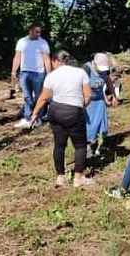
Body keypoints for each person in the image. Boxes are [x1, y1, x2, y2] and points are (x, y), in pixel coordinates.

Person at [30, 50, 94, 188]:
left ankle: (60, 177)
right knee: (80, 145)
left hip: (55, 111)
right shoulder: (80, 72)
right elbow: (88, 95)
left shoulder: (52, 75)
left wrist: (34, 113)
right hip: (73, 111)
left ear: (55, 61)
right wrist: (81, 107)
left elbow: (44, 97)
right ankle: (78, 177)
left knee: (59, 145)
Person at [12, 24, 51, 129]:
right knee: (27, 96)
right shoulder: (22, 42)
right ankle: (27, 118)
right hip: (24, 73)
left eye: (39, 32)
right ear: (30, 31)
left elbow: (46, 59)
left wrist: (49, 74)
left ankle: (38, 118)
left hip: (38, 73)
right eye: (36, 32)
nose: (39, 34)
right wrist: (13, 72)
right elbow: (17, 57)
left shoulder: (43, 43)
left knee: (39, 96)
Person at [83, 53, 118, 158]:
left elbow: (108, 82)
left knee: (102, 125)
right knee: (88, 125)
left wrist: (114, 96)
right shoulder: (86, 69)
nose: (102, 71)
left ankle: (101, 145)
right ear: (94, 63)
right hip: (87, 101)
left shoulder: (105, 71)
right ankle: (87, 147)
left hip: (99, 101)